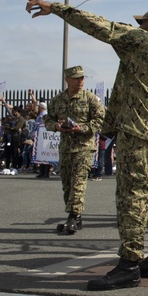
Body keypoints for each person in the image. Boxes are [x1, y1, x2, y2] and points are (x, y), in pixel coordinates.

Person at [24, 0, 148, 291]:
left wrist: (58, 9)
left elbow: (103, 28)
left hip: (139, 133)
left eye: (144, 23)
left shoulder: (146, 43)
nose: (140, 27)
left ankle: (129, 265)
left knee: (132, 197)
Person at [44, 66, 105, 235]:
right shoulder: (57, 100)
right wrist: (56, 126)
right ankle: (76, 216)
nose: (81, 81)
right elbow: (48, 119)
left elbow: (100, 121)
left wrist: (82, 128)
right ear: (67, 79)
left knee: (79, 182)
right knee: (67, 185)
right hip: (66, 148)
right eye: (77, 78)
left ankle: (73, 216)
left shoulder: (91, 99)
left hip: (84, 147)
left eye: (82, 78)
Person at [33, 102, 54, 178]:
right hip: (41, 143)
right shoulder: (41, 126)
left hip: (47, 145)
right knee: (41, 158)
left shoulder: (49, 126)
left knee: (46, 159)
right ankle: (41, 172)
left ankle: (46, 173)